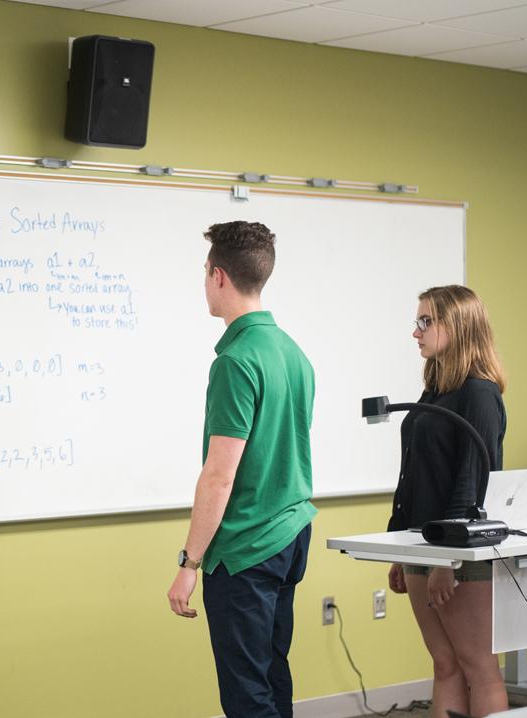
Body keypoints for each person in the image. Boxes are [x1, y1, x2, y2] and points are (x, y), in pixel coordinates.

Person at [167, 221, 316, 718]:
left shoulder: (235, 360)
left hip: (247, 546)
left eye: (205, 274)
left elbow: (219, 475)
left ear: (219, 277)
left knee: (246, 690)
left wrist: (189, 564)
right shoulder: (292, 352)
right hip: (290, 535)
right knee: (273, 671)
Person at [387, 285, 508, 718]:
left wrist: (448, 559)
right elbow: (413, 473)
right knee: (444, 664)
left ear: (456, 327)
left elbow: (472, 481)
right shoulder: (435, 390)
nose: (415, 332)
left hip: (456, 550)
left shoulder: (478, 393)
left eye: (425, 322)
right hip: (422, 542)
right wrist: (397, 548)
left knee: (479, 666)